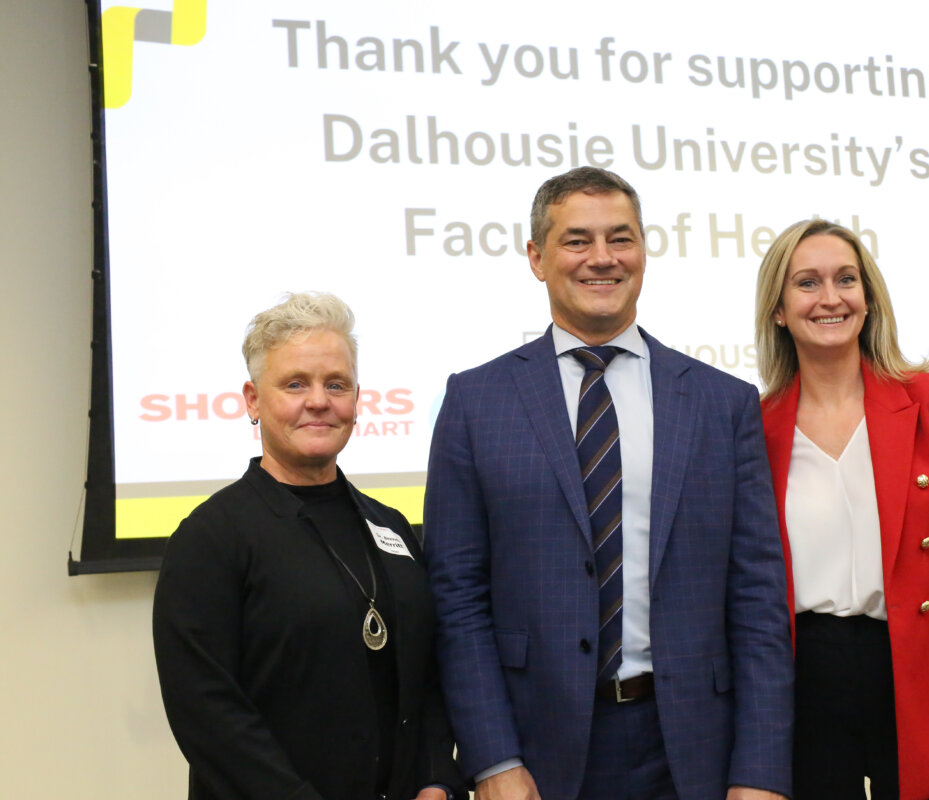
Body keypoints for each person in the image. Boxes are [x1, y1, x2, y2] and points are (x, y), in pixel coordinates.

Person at [424, 167, 793, 800]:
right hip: (535, 751)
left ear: (643, 250)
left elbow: (757, 596)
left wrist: (759, 771)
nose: (602, 258)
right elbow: (456, 598)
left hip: (691, 748)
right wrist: (492, 759)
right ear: (538, 258)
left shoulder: (721, 403)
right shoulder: (474, 401)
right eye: (577, 241)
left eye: (620, 238)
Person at [153, 292, 466, 800]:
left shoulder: (391, 526)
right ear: (254, 400)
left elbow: (427, 673)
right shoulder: (211, 537)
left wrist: (435, 779)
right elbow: (205, 709)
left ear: (357, 400)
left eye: (335, 384)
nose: (318, 400)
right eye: (295, 384)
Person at [753, 220, 929, 800]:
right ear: (778, 309)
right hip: (805, 687)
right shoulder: (756, 425)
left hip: (920, 676)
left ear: (868, 300)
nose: (830, 298)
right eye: (807, 283)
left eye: (846, 279)